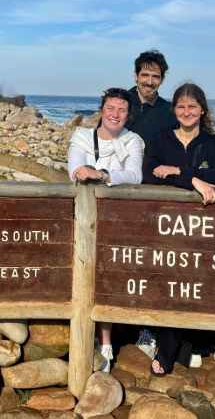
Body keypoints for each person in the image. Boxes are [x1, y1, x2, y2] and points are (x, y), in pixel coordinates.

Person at [143, 82, 215, 374]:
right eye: (181, 106)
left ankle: (180, 347)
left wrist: (180, 172)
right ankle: (171, 348)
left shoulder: (214, 143)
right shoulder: (159, 140)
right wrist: (195, 180)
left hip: (204, 227)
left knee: (196, 283)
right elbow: (151, 177)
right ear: (174, 110)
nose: (186, 111)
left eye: (192, 106)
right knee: (170, 282)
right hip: (165, 225)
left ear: (202, 109)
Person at [67, 87, 144, 372]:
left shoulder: (134, 140)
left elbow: (135, 175)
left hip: (118, 220)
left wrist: (100, 174)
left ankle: (107, 342)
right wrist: (109, 176)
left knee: (109, 277)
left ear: (128, 114)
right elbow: (75, 170)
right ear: (102, 109)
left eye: (122, 110)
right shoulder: (82, 136)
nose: (115, 114)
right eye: (111, 108)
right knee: (85, 275)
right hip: (85, 218)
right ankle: (85, 339)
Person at [125, 50, 176, 146]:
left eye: (155, 77)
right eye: (145, 75)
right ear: (136, 76)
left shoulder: (170, 112)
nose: (149, 82)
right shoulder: (120, 104)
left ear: (162, 80)